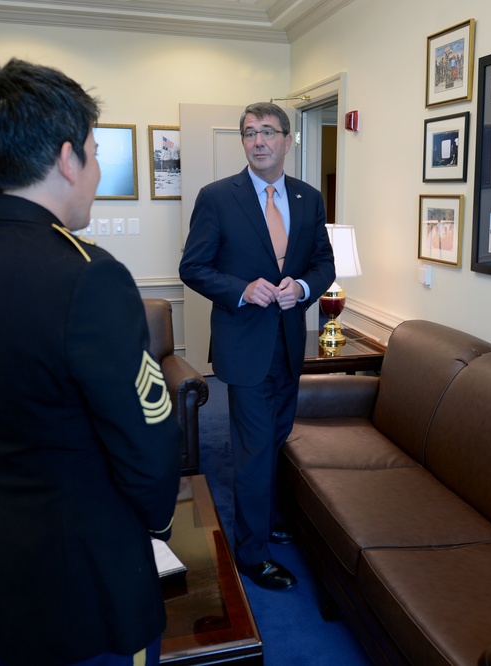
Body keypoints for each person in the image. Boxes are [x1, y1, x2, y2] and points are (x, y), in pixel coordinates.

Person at [0, 58, 182, 665]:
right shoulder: (87, 277)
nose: (94, 172)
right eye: (94, 153)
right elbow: (144, 436)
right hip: (82, 566)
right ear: (68, 158)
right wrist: (156, 524)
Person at [179, 102, 335, 591]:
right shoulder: (217, 197)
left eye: (268, 132)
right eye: (249, 133)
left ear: (288, 140)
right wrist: (242, 290)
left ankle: (265, 518)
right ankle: (251, 552)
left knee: (275, 439)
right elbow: (193, 267)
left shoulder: (309, 199)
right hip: (244, 344)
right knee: (249, 451)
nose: (259, 141)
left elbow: (323, 264)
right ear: (243, 142)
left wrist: (304, 289)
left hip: (289, 342)